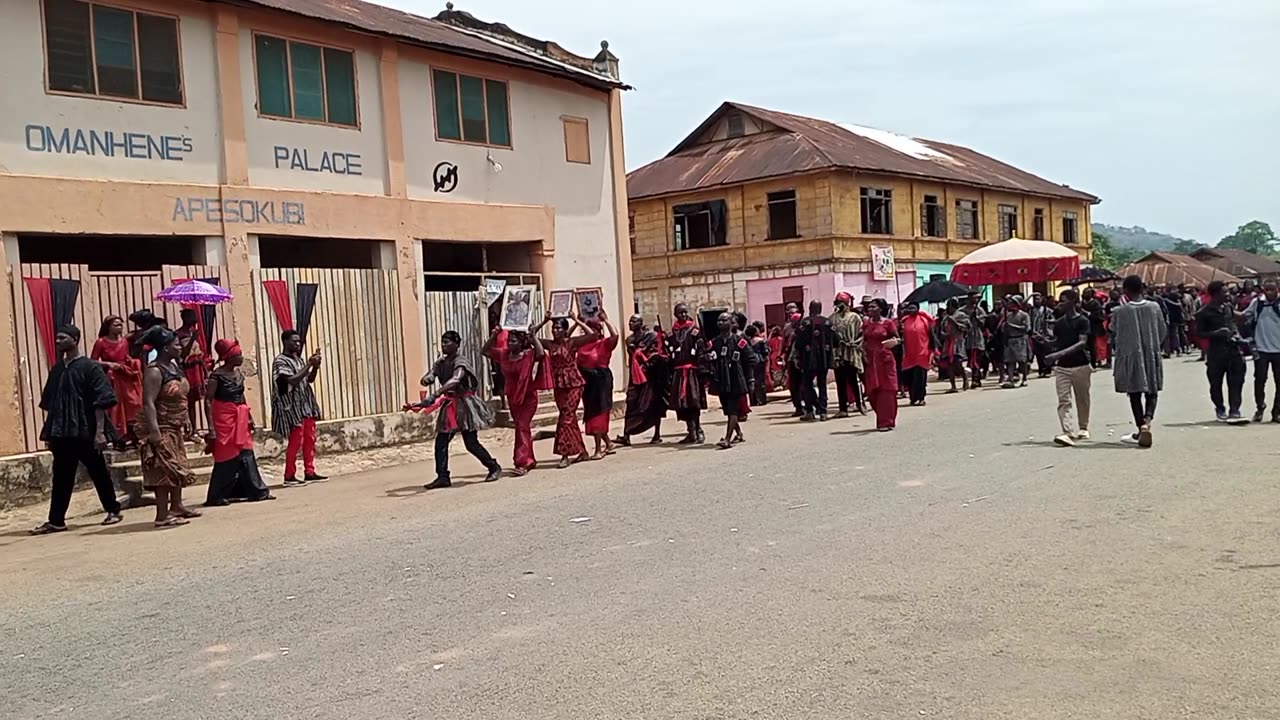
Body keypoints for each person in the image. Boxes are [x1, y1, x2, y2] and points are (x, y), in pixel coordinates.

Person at [30, 325, 124, 534]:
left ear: (75, 339)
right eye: (56, 338)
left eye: (62, 338)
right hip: (63, 433)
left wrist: (99, 432)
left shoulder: (90, 367)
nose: (57, 341)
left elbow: (101, 401)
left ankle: (113, 509)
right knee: (61, 475)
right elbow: (51, 403)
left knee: (98, 471)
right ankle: (56, 520)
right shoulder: (57, 369)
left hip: (86, 431)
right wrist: (51, 432)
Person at [418, 330, 502, 488]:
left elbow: (456, 379)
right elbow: (431, 374)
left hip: (464, 405)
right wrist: (426, 379)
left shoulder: (461, 361)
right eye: (442, 342)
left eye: (447, 342)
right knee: (441, 441)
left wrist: (435, 394)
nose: (444, 345)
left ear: (457, 345)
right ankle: (442, 476)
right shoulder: (441, 363)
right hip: (450, 404)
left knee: (471, 443)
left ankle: (493, 466)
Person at [139, 325, 200, 527]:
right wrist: (154, 431)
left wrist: (187, 419)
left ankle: (177, 505)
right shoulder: (155, 371)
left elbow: (181, 395)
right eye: (176, 344)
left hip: (176, 427)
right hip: (162, 427)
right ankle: (162, 515)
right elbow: (148, 402)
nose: (180, 346)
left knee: (177, 467)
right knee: (162, 470)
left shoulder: (174, 367)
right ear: (165, 347)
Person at [203, 339, 273, 506]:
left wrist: (249, 417)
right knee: (226, 456)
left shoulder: (238, 375)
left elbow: (241, 397)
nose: (241, 358)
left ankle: (257, 490)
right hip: (224, 418)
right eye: (238, 355)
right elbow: (207, 401)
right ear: (229, 357)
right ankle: (217, 495)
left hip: (239, 416)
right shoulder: (216, 376)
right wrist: (211, 428)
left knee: (246, 453)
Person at [1110, 275, 1167, 447]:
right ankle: (1147, 421)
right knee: (1152, 390)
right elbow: (1162, 330)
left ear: (1126, 290)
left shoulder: (1119, 311)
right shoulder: (1154, 307)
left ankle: (1141, 425)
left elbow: (1114, 333)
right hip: (1151, 354)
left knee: (1134, 393)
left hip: (1131, 356)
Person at [535, 312, 597, 466]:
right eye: (553, 328)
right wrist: (544, 321)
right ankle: (582, 451)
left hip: (573, 382)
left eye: (557, 328)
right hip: (559, 383)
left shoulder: (572, 343)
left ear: (564, 329)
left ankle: (565, 454)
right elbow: (531, 336)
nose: (554, 330)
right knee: (569, 418)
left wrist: (576, 320)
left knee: (566, 417)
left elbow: (592, 335)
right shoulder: (550, 345)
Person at [484, 327, 545, 475]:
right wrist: (493, 336)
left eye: (513, 341)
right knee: (521, 426)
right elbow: (485, 351)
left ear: (521, 342)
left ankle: (522, 462)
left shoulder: (528, 355)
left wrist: (533, 337)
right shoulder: (504, 355)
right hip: (512, 396)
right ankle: (530, 459)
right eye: (508, 341)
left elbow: (541, 354)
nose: (510, 343)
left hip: (528, 396)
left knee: (522, 426)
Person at [271, 330, 326, 487]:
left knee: (310, 438)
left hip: (305, 404)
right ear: (285, 342)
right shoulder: (281, 361)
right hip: (291, 407)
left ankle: (309, 471)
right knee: (296, 440)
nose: (298, 344)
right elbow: (292, 381)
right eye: (294, 341)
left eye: (299, 341)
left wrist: (315, 367)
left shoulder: (299, 360)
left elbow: (309, 379)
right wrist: (309, 364)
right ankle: (289, 475)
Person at [1196, 280, 1249, 424]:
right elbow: (1199, 333)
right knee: (1215, 383)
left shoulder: (1228, 308)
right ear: (1215, 294)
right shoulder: (1203, 313)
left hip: (1233, 350)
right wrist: (1216, 333)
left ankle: (1235, 410)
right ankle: (1220, 408)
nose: (1227, 294)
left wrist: (1237, 335)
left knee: (1237, 381)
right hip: (1216, 353)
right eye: (1224, 292)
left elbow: (1233, 325)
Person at [1046, 290, 1093, 447]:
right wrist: (1045, 342)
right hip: (1062, 368)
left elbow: (1082, 343)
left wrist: (1057, 354)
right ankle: (1067, 432)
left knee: (1082, 398)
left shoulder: (1083, 321)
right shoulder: (1059, 323)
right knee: (1064, 400)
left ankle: (1083, 427)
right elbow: (1058, 342)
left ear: (1073, 302)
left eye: (1063, 300)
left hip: (1080, 365)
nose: (1060, 304)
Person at [91, 315, 143, 449]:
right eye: (116, 325)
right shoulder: (101, 342)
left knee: (133, 402)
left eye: (121, 325)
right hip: (112, 377)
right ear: (108, 327)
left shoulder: (125, 341)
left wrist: (131, 362)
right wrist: (108, 364)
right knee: (116, 407)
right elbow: (93, 360)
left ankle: (133, 434)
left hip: (125, 374)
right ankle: (118, 436)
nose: (119, 327)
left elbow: (127, 356)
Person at [707, 312, 757, 448]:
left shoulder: (739, 341)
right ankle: (739, 433)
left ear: (731, 323)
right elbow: (708, 359)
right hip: (722, 380)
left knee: (733, 409)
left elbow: (752, 359)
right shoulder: (714, 342)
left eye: (724, 320)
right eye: (719, 321)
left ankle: (727, 439)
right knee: (728, 409)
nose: (720, 323)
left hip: (736, 379)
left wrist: (750, 378)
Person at [616, 315, 668, 446]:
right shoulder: (629, 340)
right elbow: (632, 358)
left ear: (641, 323)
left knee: (653, 403)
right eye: (630, 321)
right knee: (631, 402)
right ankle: (626, 435)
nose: (630, 323)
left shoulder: (650, 336)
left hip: (650, 375)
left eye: (633, 321)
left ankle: (657, 434)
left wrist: (646, 359)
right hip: (635, 375)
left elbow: (656, 353)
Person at [577, 310, 620, 459]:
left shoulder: (604, 344)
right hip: (587, 382)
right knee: (591, 413)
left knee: (599, 414)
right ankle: (608, 443)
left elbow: (615, 335)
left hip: (601, 381)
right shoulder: (581, 346)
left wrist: (606, 320)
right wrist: (577, 321)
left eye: (592, 329)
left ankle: (598, 450)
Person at [665, 303, 708, 444]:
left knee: (694, 402)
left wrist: (702, 370)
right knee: (682, 405)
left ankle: (699, 430)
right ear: (675, 314)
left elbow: (701, 351)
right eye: (680, 313)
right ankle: (690, 431)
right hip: (678, 372)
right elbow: (668, 354)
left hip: (691, 372)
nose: (683, 315)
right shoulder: (671, 333)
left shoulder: (695, 331)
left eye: (685, 312)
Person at [862, 299, 900, 431]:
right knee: (872, 391)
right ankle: (883, 415)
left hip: (885, 359)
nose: (870, 309)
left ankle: (885, 421)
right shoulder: (866, 323)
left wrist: (893, 342)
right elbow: (863, 339)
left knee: (886, 391)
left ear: (880, 309)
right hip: (870, 360)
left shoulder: (888, 323)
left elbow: (898, 338)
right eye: (869, 307)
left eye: (873, 306)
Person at [1245, 280, 1280, 423]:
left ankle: (1276, 412)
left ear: (1278, 289)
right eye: (1267, 289)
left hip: (1279, 350)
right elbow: (1244, 316)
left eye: (1272, 289)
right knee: (1259, 380)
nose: (1269, 292)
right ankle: (1260, 407)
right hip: (1261, 349)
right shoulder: (1257, 303)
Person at [793, 300, 834, 421]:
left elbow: (798, 342)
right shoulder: (827, 322)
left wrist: (797, 357)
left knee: (807, 385)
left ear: (810, 308)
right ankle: (823, 412)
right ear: (820, 309)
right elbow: (836, 339)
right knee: (822, 385)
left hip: (807, 359)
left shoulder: (804, 323)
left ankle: (810, 411)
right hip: (824, 359)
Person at [830, 293, 865, 417]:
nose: (839, 305)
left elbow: (862, 334)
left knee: (854, 380)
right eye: (837, 303)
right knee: (840, 382)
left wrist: (855, 343)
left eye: (841, 303)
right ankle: (842, 409)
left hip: (851, 352)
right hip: (838, 354)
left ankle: (860, 404)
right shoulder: (832, 318)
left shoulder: (854, 317)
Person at [176, 308, 208, 439]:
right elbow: (182, 355)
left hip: (197, 369)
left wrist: (205, 370)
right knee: (187, 400)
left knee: (196, 400)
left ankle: (195, 429)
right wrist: (192, 339)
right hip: (187, 369)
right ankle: (188, 429)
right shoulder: (179, 334)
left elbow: (199, 355)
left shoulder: (193, 332)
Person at [898, 301, 933, 406]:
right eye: (910, 308)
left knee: (920, 378)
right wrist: (899, 329)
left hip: (922, 353)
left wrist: (933, 350)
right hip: (908, 355)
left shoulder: (925, 320)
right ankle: (913, 398)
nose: (911, 310)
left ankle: (921, 397)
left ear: (918, 309)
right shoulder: (904, 321)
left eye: (914, 308)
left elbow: (931, 336)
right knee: (909, 378)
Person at [939, 298, 969, 393]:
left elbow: (966, 328)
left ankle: (965, 379)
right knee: (949, 365)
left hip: (957, 342)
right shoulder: (945, 317)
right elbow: (941, 330)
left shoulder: (961, 316)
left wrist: (954, 322)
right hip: (948, 343)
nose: (948, 308)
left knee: (958, 363)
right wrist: (944, 334)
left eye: (950, 306)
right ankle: (953, 385)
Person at [1000, 296, 1032, 388]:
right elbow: (1003, 329)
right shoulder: (1008, 315)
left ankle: (1024, 378)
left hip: (1020, 340)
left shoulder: (1024, 315)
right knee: (1010, 361)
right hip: (1010, 339)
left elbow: (1026, 328)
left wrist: (1012, 326)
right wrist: (1004, 327)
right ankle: (1010, 379)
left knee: (1022, 361)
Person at [780, 302, 804, 416]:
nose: (791, 316)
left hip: (803, 359)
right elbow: (784, 342)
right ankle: (798, 406)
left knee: (805, 384)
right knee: (793, 384)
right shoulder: (787, 327)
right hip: (790, 358)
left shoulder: (805, 326)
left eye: (793, 313)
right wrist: (781, 355)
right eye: (789, 314)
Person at [960, 293, 986, 387]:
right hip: (967, 339)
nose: (975, 300)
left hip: (978, 338)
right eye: (973, 298)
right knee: (969, 360)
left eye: (977, 298)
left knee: (977, 360)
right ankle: (974, 377)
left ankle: (975, 379)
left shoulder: (980, 310)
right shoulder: (962, 310)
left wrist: (977, 317)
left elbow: (983, 324)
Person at [745, 323, 770, 407]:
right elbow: (765, 351)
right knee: (760, 381)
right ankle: (762, 399)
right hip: (760, 361)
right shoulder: (761, 341)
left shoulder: (747, 342)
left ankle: (753, 400)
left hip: (750, 362)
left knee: (752, 380)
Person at [1082, 289, 1108, 368]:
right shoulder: (1082, 303)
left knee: (1094, 346)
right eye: (1084, 293)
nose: (1085, 294)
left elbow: (1098, 316)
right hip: (1085, 327)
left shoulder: (1095, 304)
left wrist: (1087, 313)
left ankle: (1094, 362)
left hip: (1094, 327)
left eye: (1087, 293)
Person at [1029, 294, 1053, 378]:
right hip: (1035, 335)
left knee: (1046, 353)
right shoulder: (1031, 310)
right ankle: (1041, 370)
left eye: (1038, 299)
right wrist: (1031, 295)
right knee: (1038, 354)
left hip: (1045, 335)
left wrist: (1049, 322)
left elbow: (1053, 320)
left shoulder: (1047, 310)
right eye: (1035, 299)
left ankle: (1047, 370)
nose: (1036, 301)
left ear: (1042, 300)